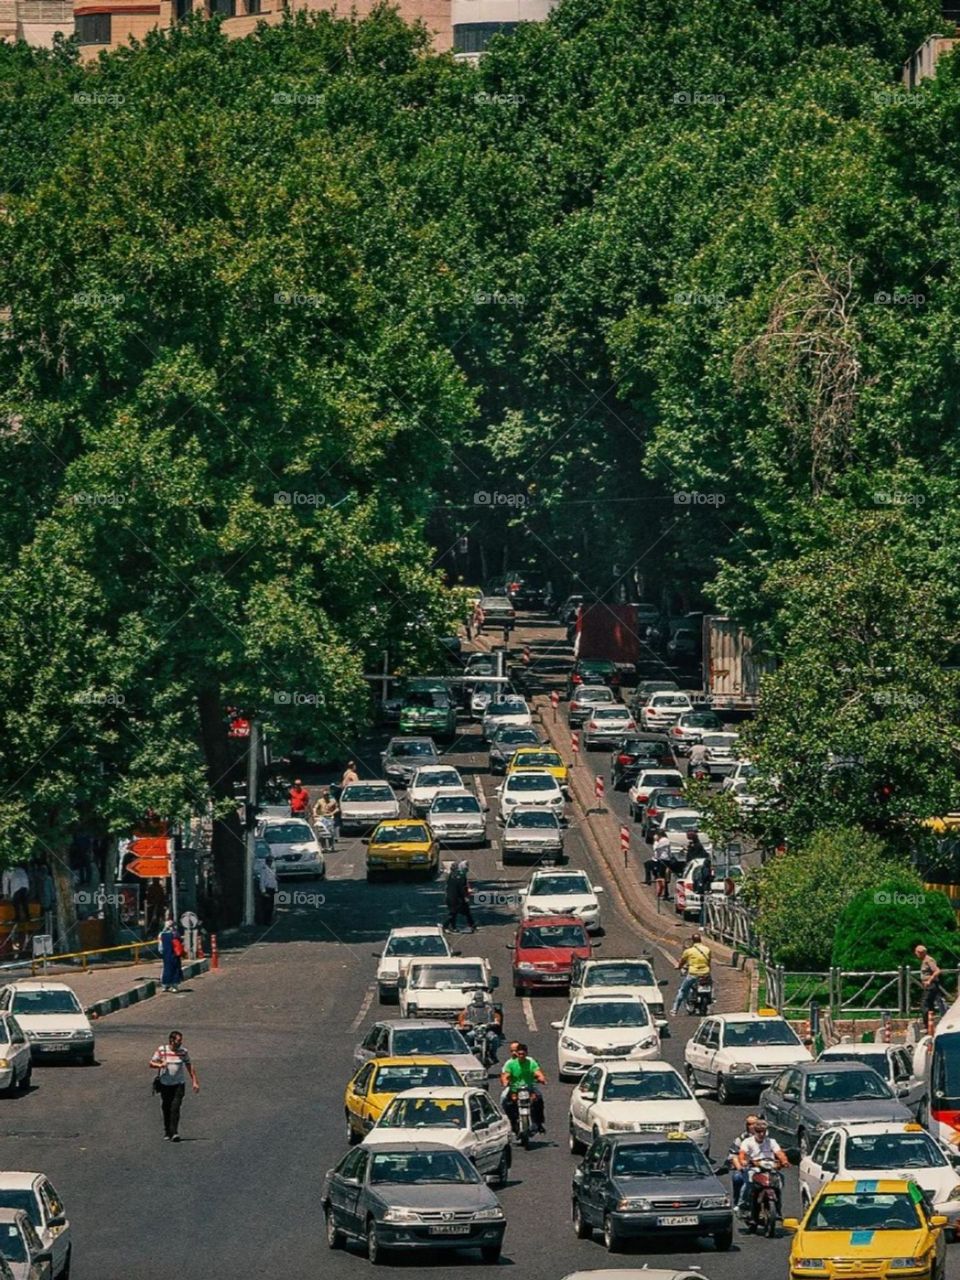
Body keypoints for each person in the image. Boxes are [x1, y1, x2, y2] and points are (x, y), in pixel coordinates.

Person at [149, 1030, 199, 1141]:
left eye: (181, 1041)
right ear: (172, 1040)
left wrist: (194, 1081)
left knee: (175, 1107)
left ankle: (175, 1132)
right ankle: (167, 1130)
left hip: (178, 1085)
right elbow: (151, 1063)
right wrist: (160, 1064)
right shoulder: (162, 1050)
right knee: (166, 1107)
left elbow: (189, 1066)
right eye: (178, 1041)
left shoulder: (183, 1052)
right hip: (165, 1084)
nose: (180, 1043)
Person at [738, 1118, 788, 1227]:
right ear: (754, 1131)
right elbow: (742, 1153)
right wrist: (743, 1161)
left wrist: (784, 1161)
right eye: (759, 1132)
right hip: (754, 1168)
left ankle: (778, 1208)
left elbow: (779, 1153)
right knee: (748, 1184)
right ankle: (743, 1207)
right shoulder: (748, 1142)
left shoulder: (771, 1142)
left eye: (763, 1132)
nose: (761, 1134)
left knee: (780, 1180)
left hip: (770, 1168)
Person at [500, 1043, 546, 1136]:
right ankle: (513, 1123)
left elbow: (537, 1072)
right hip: (514, 1089)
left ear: (526, 1053)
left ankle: (538, 1123)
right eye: (519, 1053)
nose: (521, 1056)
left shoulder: (531, 1062)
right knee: (506, 1102)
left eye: (523, 1054)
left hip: (529, 1088)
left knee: (538, 1100)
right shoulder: (511, 1063)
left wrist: (541, 1078)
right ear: (516, 1054)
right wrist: (505, 1081)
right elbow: (505, 1075)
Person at [672, 932, 712, 1014]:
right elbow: (708, 961)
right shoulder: (707, 949)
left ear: (693, 941)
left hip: (693, 974)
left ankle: (675, 1009)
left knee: (682, 990)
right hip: (705, 974)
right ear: (701, 940)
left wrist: (678, 967)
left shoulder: (688, 951)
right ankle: (710, 998)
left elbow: (682, 961)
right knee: (710, 986)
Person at [728, 1114, 758, 1208]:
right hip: (747, 1168)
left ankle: (776, 1210)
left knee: (778, 1179)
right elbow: (733, 1156)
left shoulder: (766, 1138)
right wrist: (740, 1167)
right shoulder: (741, 1139)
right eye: (749, 1124)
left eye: (755, 1123)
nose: (752, 1126)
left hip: (763, 1167)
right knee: (737, 1177)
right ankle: (738, 1203)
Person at [916, 945, 948, 1020]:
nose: (916, 954)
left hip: (931, 985)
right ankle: (930, 1024)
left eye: (917, 953)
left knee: (925, 1004)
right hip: (929, 985)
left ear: (921, 952)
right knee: (930, 1004)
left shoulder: (929, 960)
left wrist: (929, 980)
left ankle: (927, 1025)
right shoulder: (924, 960)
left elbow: (937, 971)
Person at [444, 861, 476, 933]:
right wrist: (466, 894)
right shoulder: (459, 876)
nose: (467, 870)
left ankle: (471, 925)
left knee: (463, 912)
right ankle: (447, 926)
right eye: (466, 868)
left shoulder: (455, 875)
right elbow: (461, 888)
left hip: (453, 897)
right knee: (454, 913)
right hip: (455, 898)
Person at [159, 918, 184, 993]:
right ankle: (174, 986)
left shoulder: (161, 934)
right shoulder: (175, 934)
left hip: (166, 955)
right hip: (174, 954)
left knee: (166, 969)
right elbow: (180, 942)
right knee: (175, 969)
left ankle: (165, 985)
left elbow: (160, 948)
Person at [258, 855, 278, 925]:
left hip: (272, 889)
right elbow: (262, 881)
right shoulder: (264, 869)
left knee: (271, 906)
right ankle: (265, 920)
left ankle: (269, 919)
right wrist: (263, 891)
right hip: (267, 889)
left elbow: (274, 880)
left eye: (271, 861)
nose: (270, 862)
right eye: (269, 861)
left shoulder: (273, 869)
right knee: (266, 906)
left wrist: (276, 889)